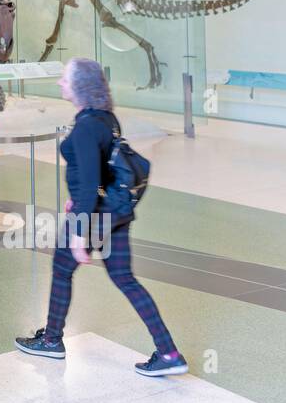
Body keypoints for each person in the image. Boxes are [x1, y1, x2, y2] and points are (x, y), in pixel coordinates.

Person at [16, 58, 188, 377]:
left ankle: (52, 340)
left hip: (94, 217)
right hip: (116, 212)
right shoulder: (106, 119)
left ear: (79, 85)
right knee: (125, 278)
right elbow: (100, 173)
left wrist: (80, 235)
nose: (59, 83)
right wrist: (79, 197)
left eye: (65, 79)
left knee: (62, 267)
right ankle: (168, 352)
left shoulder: (85, 128)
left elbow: (90, 183)